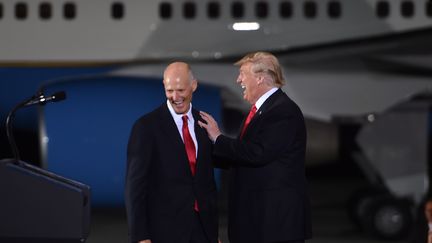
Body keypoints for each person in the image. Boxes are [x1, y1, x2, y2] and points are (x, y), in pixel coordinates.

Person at [199, 52, 312, 243]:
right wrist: (200, 151)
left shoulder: (283, 111)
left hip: (274, 225)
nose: (238, 79)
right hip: (260, 221)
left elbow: (257, 153)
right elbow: (244, 155)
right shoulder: (263, 110)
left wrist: (218, 138)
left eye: (243, 74)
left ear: (260, 78)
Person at [125, 62, 218, 243]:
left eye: (181, 90)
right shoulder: (146, 127)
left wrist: (213, 234)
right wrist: (140, 236)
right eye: (169, 91)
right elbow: (134, 187)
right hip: (164, 232)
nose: (175, 97)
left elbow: (207, 182)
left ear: (194, 85)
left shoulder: (205, 124)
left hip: (203, 232)